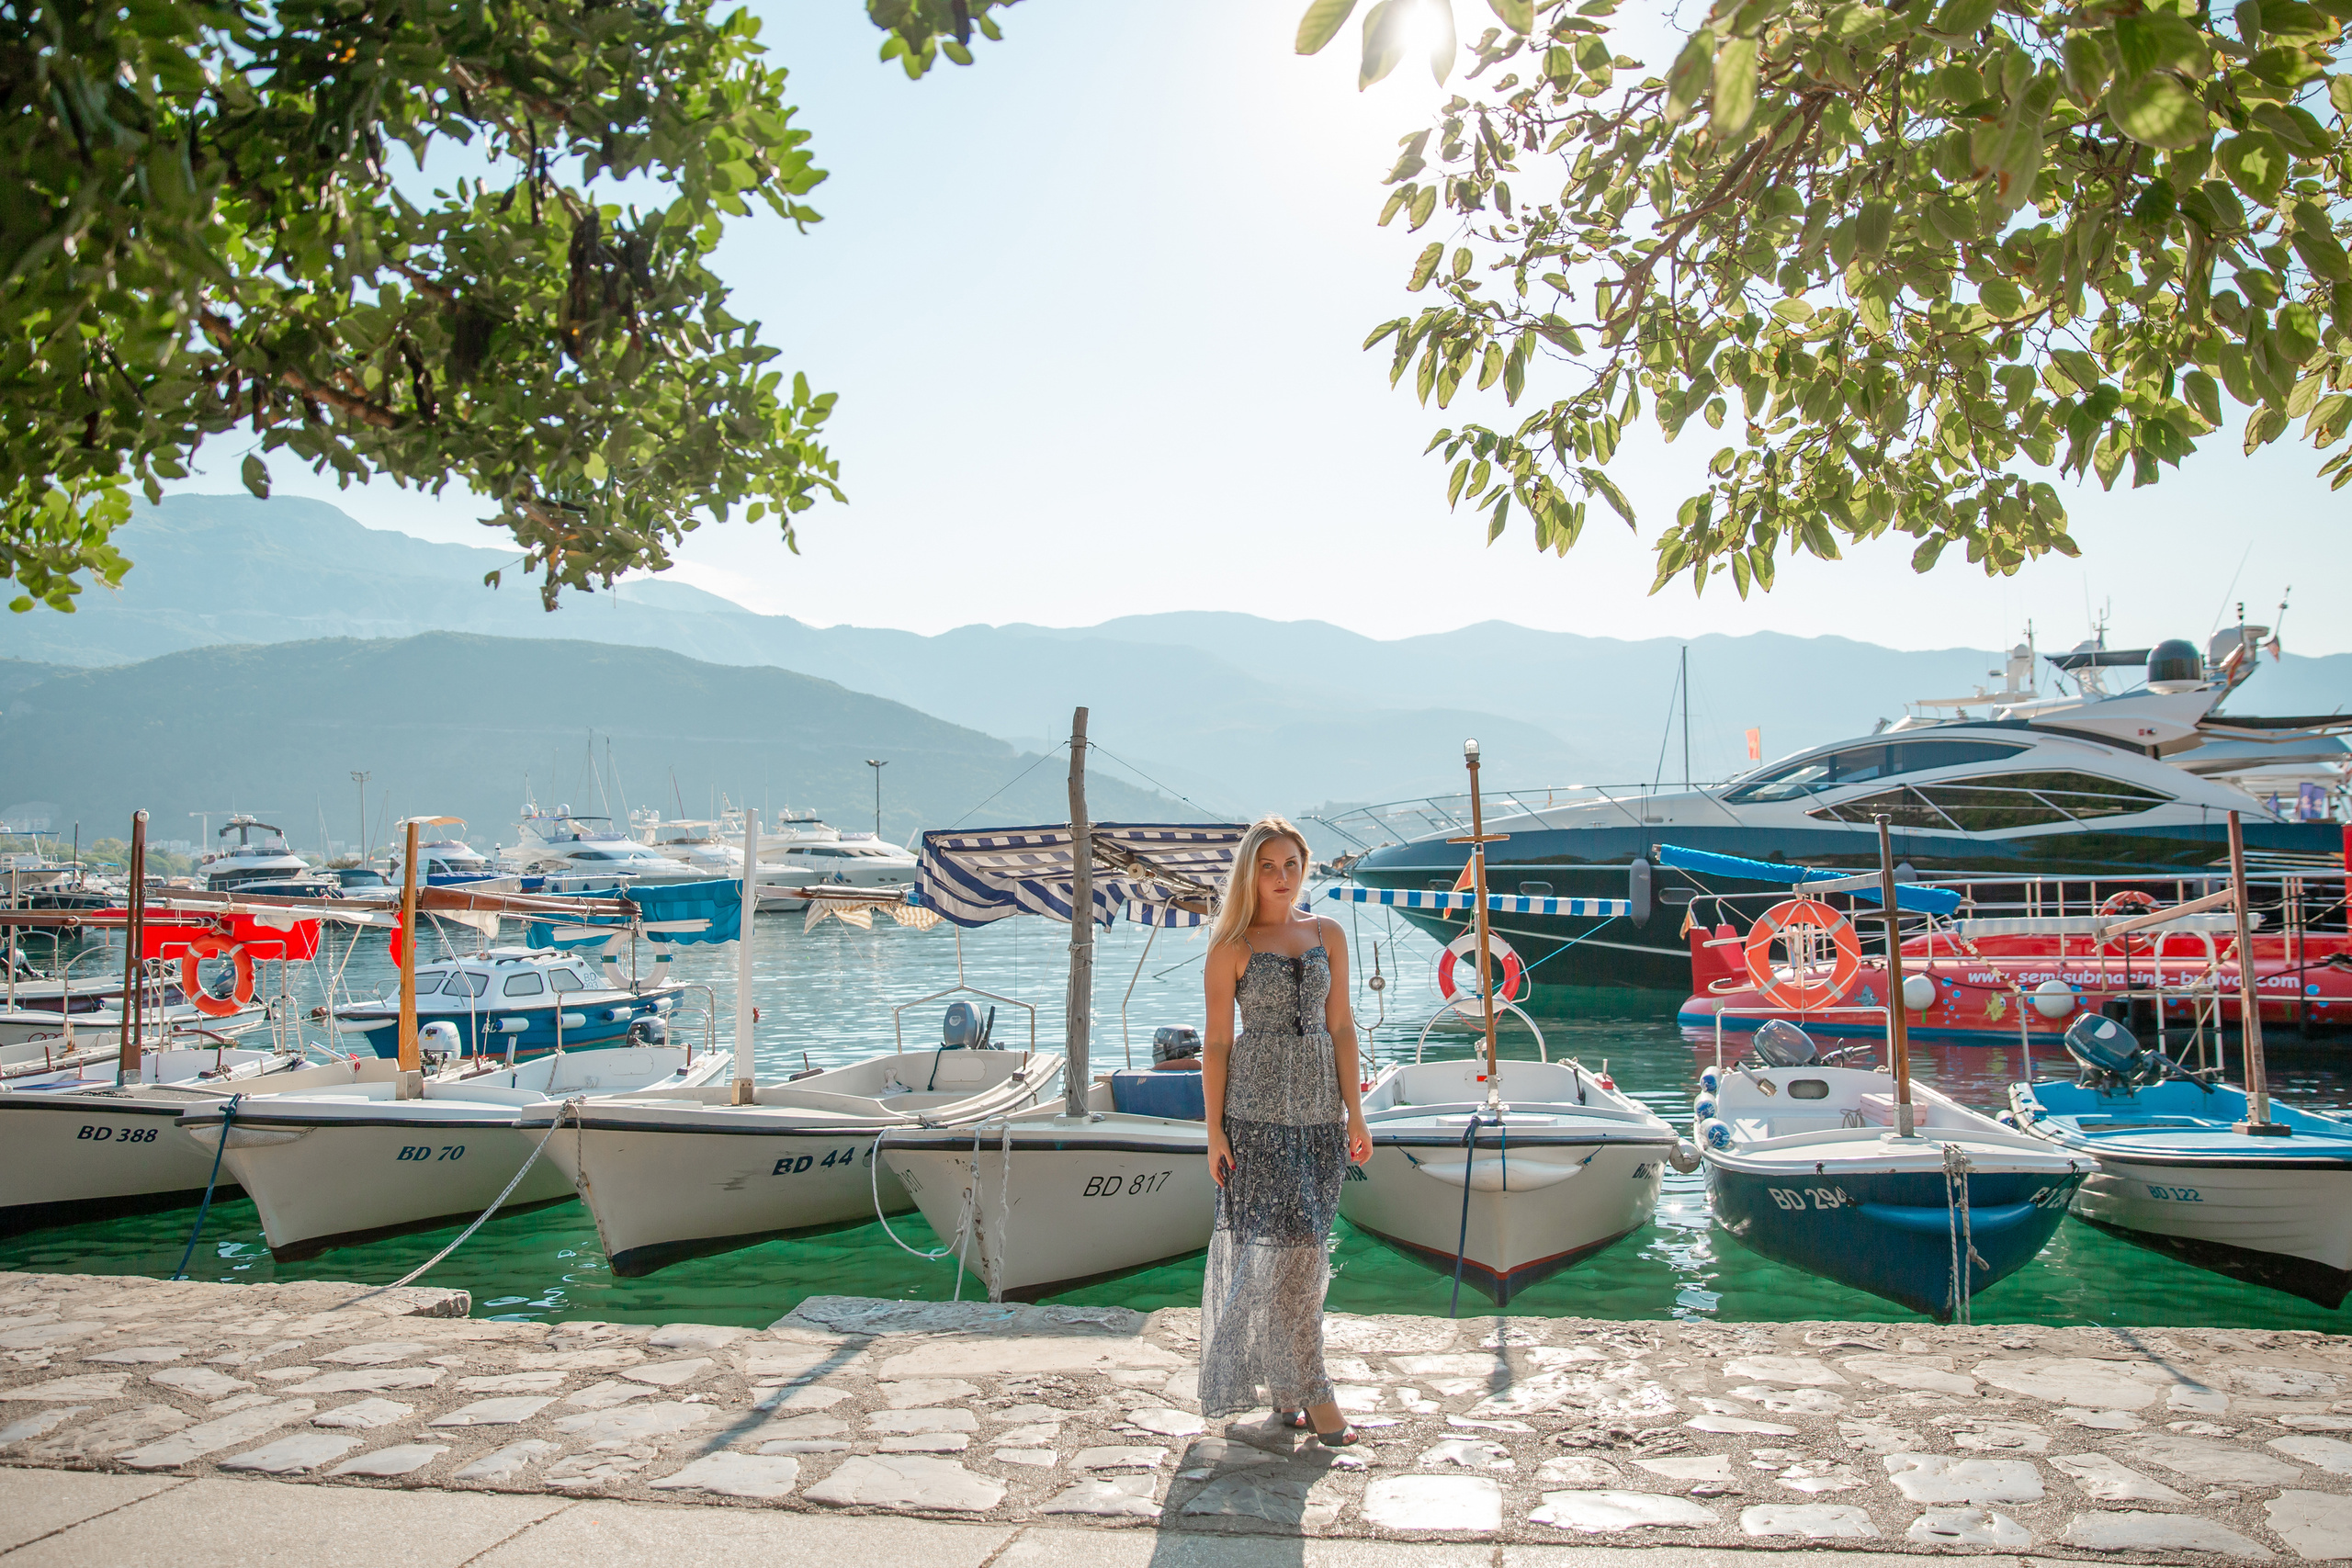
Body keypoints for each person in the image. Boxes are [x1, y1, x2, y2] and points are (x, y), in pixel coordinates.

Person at [1195, 816, 1374, 1445]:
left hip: (1321, 1118)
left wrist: (1356, 1111)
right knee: (1291, 1255)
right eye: (1268, 866)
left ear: (1306, 868)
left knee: (1298, 1252)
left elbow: (1344, 1026)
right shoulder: (1232, 945)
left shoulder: (1329, 933)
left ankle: (1286, 1389)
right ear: (1250, 871)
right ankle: (1316, 1390)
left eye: (1292, 864)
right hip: (1256, 1119)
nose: (1281, 877)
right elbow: (1216, 1042)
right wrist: (1214, 1131)